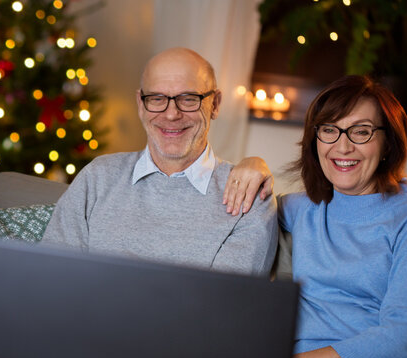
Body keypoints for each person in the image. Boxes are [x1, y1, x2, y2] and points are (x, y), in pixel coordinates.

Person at [226, 75, 407, 358]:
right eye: (330, 130)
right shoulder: (304, 208)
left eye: (361, 132)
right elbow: (243, 209)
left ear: (388, 144)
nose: (342, 147)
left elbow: (404, 337)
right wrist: (253, 163)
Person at [41, 47, 278, 276]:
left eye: (188, 99)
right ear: (140, 104)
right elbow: (54, 277)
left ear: (214, 104)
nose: (171, 114)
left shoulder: (250, 198)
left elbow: (222, 304)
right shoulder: (97, 177)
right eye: (156, 98)